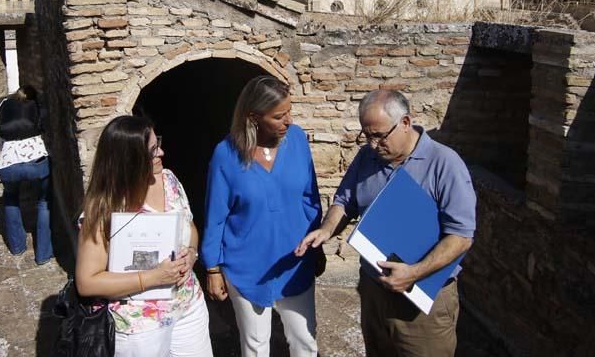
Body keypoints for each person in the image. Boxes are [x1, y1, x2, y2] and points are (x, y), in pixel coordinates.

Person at [296, 89, 476, 357]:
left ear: (405, 122)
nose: (371, 144)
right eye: (366, 135)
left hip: (423, 299)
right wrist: (326, 228)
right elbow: (344, 201)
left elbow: (461, 236)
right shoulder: (366, 157)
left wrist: (414, 272)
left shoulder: (445, 164)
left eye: (379, 135)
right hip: (374, 290)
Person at [201, 75, 322, 357]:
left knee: (305, 341)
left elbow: (310, 198)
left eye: (289, 111)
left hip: (295, 261)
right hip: (246, 266)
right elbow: (216, 215)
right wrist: (212, 268)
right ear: (253, 117)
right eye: (279, 116)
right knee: (255, 346)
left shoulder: (298, 140)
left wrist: (318, 246)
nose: (288, 120)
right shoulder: (226, 154)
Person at [75, 115, 213, 357]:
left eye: (157, 143)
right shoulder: (104, 208)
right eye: (152, 150)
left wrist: (191, 254)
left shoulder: (169, 180)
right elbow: (87, 282)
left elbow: (189, 228)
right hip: (138, 326)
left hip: (188, 307)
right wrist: (153, 277)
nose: (162, 152)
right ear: (130, 160)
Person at [0, 84, 53, 265]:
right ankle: (43, 254)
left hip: (9, 164)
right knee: (44, 203)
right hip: (36, 161)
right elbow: (43, 125)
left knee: (11, 198)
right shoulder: (36, 106)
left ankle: (17, 247)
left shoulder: (4, 105)